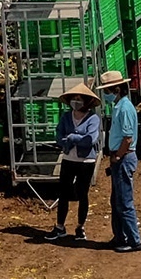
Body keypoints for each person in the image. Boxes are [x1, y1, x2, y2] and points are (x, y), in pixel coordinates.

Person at [46, 82, 102, 242]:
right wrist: (72, 140)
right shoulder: (66, 117)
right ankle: (60, 227)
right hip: (68, 159)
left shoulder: (93, 118)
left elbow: (90, 139)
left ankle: (80, 227)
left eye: (79, 99)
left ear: (86, 102)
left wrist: (72, 138)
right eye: (74, 99)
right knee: (63, 193)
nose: (76, 102)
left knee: (82, 194)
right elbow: (59, 136)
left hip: (86, 161)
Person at [99, 69, 141, 253]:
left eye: (107, 91)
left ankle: (133, 240)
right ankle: (120, 237)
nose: (105, 94)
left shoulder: (124, 108)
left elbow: (127, 138)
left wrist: (117, 156)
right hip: (120, 157)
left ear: (116, 89)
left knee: (124, 202)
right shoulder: (119, 107)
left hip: (123, 157)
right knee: (117, 200)